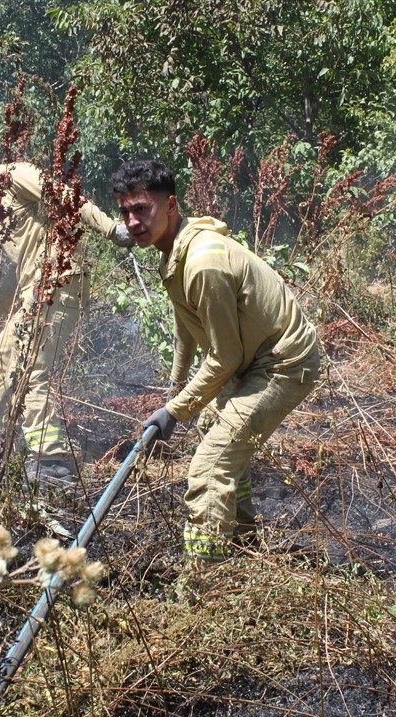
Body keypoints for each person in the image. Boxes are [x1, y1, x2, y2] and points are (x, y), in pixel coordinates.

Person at [110, 160, 321, 561]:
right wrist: (176, 388)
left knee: (208, 469)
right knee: (217, 437)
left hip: (283, 363)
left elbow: (226, 356)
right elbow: (186, 326)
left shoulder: (203, 263)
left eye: (141, 209)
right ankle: (243, 542)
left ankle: (204, 574)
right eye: (125, 212)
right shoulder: (174, 251)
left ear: (171, 205)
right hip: (252, 359)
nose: (133, 222)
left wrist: (176, 411)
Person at [0, 145, 134, 485]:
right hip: (37, 291)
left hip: (59, 282)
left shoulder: (15, 175)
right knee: (1, 359)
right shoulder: (0, 213)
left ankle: (51, 460)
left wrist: (111, 230)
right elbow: (15, 275)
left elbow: (64, 197)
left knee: (30, 370)